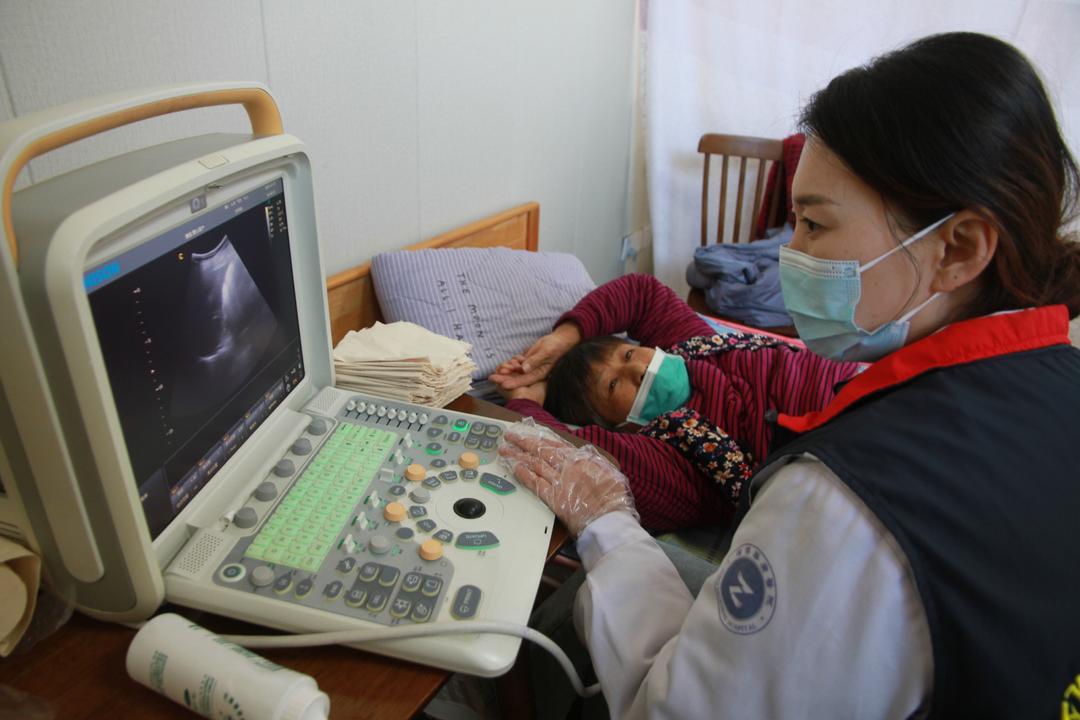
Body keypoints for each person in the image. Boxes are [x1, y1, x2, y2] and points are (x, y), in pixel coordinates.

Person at [498, 32, 1080, 719]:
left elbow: (679, 709)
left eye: (814, 225)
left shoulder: (838, 503)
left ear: (957, 249)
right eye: (794, 222)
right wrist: (536, 409)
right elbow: (584, 452)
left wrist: (567, 336)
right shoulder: (1056, 378)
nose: (789, 255)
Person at [490, 273, 861, 532]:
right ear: (618, 427)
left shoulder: (692, 346)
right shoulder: (674, 456)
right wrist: (528, 401)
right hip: (842, 455)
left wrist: (565, 337)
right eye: (614, 385)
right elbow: (575, 458)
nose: (638, 369)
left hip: (857, 385)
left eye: (629, 354)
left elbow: (641, 293)